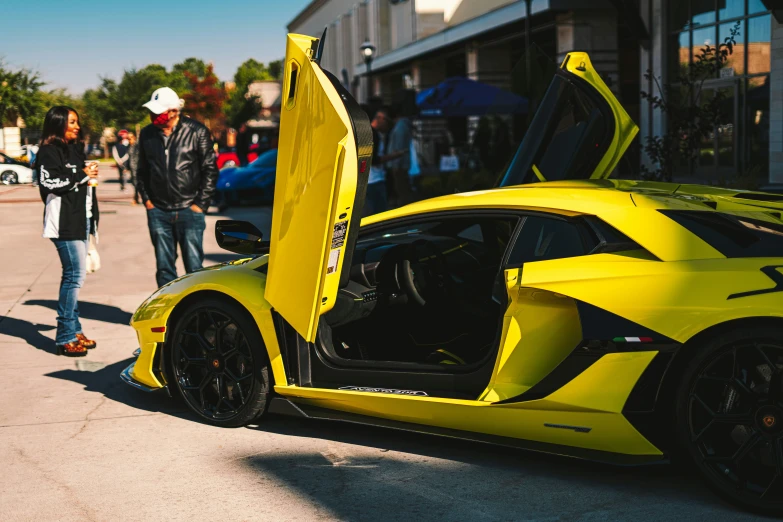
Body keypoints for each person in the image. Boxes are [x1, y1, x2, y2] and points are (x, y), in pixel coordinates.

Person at [136, 87, 218, 287]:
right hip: (158, 211)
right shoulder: (147, 134)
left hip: (190, 210)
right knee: (164, 270)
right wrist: (147, 200)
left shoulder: (196, 131)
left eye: (158, 112)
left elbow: (210, 170)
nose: (153, 116)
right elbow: (141, 170)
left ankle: (196, 316)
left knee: (194, 270)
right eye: (152, 111)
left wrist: (200, 204)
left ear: (173, 111)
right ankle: (168, 316)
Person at [37, 106, 100, 357]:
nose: (77, 126)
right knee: (74, 276)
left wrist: (88, 176)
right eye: (71, 122)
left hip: (80, 218)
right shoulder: (48, 152)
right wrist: (80, 175)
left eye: (77, 122)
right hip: (63, 223)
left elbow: (80, 179)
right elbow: (49, 182)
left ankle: (74, 330)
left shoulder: (75, 149)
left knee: (75, 276)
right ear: (58, 124)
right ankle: (64, 336)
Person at [363, 107, 393, 217]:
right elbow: (374, 159)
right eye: (387, 122)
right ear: (380, 118)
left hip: (369, 179)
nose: (387, 126)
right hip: (375, 179)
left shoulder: (366, 133)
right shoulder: (374, 134)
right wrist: (394, 156)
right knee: (380, 215)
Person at [385, 105, 415, 207]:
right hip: (401, 164)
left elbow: (399, 148)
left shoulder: (400, 128)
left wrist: (396, 166)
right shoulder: (403, 126)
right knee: (403, 189)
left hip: (399, 165)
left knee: (402, 190)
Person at [127, 132, 140, 205]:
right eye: (128, 138)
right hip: (132, 168)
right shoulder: (129, 146)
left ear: (134, 137)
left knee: (138, 183)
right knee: (134, 183)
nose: (129, 140)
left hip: (138, 167)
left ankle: (136, 198)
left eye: (130, 138)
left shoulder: (137, 145)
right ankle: (136, 197)